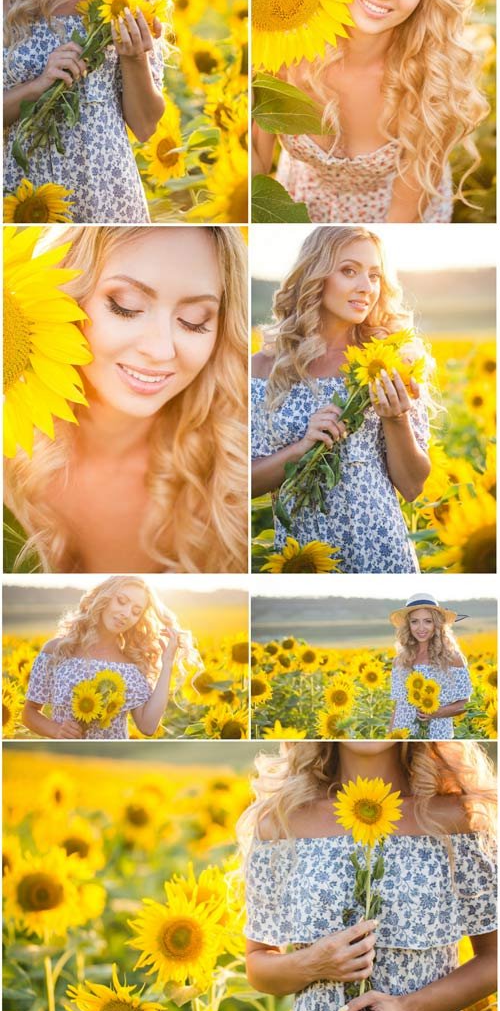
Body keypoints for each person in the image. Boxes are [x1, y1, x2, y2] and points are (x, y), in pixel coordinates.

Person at [239, 738, 497, 1011]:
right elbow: (258, 965)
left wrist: (406, 1010)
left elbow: (494, 958)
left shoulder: (456, 820)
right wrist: (313, 963)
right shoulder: (281, 823)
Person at [5, 224, 248, 574]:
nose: (161, 350)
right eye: (125, 307)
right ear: (64, 294)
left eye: (193, 321)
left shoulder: (231, 476)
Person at [252, 0, 488, 223]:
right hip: (298, 203)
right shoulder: (284, 49)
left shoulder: (430, 78)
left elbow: (403, 216)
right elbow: (255, 165)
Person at [252, 226, 431, 573]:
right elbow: (243, 485)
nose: (366, 287)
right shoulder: (263, 371)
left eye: (375, 275)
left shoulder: (391, 360)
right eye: (349, 271)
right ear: (316, 275)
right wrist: (302, 448)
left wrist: (396, 419)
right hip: (304, 557)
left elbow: (412, 486)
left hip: (382, 551)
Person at [3, 0, 167, 223]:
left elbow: (145, 126)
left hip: (110, 192)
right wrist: (39, 86)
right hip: (27, 193)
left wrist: (135, 58)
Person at [22, 574, 198, 740]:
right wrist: (56, 730)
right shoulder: (57, 650)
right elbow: (29, 713)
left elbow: (148, 726)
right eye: (121, 601)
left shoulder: (130, 667)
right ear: (104, 598)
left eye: (136, 612)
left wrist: (167, 663)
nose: (126, 613)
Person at [389, 593, 473, 740]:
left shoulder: (452, 658)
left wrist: (437, 712)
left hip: (437, 735)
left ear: (437, 624)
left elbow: (465, 704)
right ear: (408, 625)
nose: (421, 628)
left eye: (428, 621)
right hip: (402, 734)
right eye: (414, 621)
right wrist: (390, 736)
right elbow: (398, 706)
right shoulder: (400, 660)